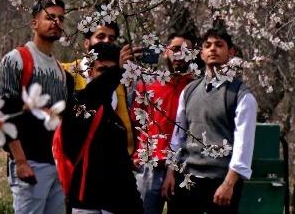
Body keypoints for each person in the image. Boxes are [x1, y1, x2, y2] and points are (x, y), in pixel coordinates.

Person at [162, 28, 257, 214]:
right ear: (202, 53)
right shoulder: (189, 91)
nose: (213, 49)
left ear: (231, 52)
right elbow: (179, 136)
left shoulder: (241, 96)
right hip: (186, 179)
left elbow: (243, 146)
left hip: (220, 181)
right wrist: (171, 172)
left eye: (219, 45)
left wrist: (229, 184)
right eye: (208, 46)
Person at [0, 0, 74, 214]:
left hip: (56, 164)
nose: (56, 22)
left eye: (61, 18)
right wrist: (20, 161)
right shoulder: (16, 60)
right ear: (34, 23)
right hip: (30, 163)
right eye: (50, 17)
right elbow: (5, 112)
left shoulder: (63, 74)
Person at [57, 42, 144, 214]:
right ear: (89, 72)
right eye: (103, 70)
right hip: (86, 204)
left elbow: (124, 173)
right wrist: (117, 71)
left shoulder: (116, 120)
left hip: (115, 204)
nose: (109, 77)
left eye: (112, 71)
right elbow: (95, 93)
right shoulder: (79, 104)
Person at [132, 32, 196, 214]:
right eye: (175, 49)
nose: (180, 54)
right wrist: (137, 154)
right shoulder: (146, 86)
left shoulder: (194, 89)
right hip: (151, 165)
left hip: (183, 167)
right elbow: (135, 122)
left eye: (186, 50)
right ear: (164, 52)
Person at [62, 22, 136, 156]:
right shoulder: (66, 73)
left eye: (111, 39)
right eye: (101, 36)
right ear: (86, 43)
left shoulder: (119, 81)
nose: (106, 42)